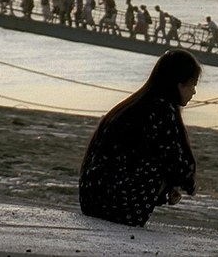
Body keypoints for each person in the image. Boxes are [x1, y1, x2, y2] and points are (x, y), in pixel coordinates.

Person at [79, 49, 200, 227]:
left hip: (91, 199)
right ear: (178, 84)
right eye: (192, 85)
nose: (194, 92)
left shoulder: (136, 104)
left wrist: (170, 186)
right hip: (115, 206)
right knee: (162, 161)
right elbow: (176, 162)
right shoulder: (162, 110)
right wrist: (183, 184)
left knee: (154, 157)